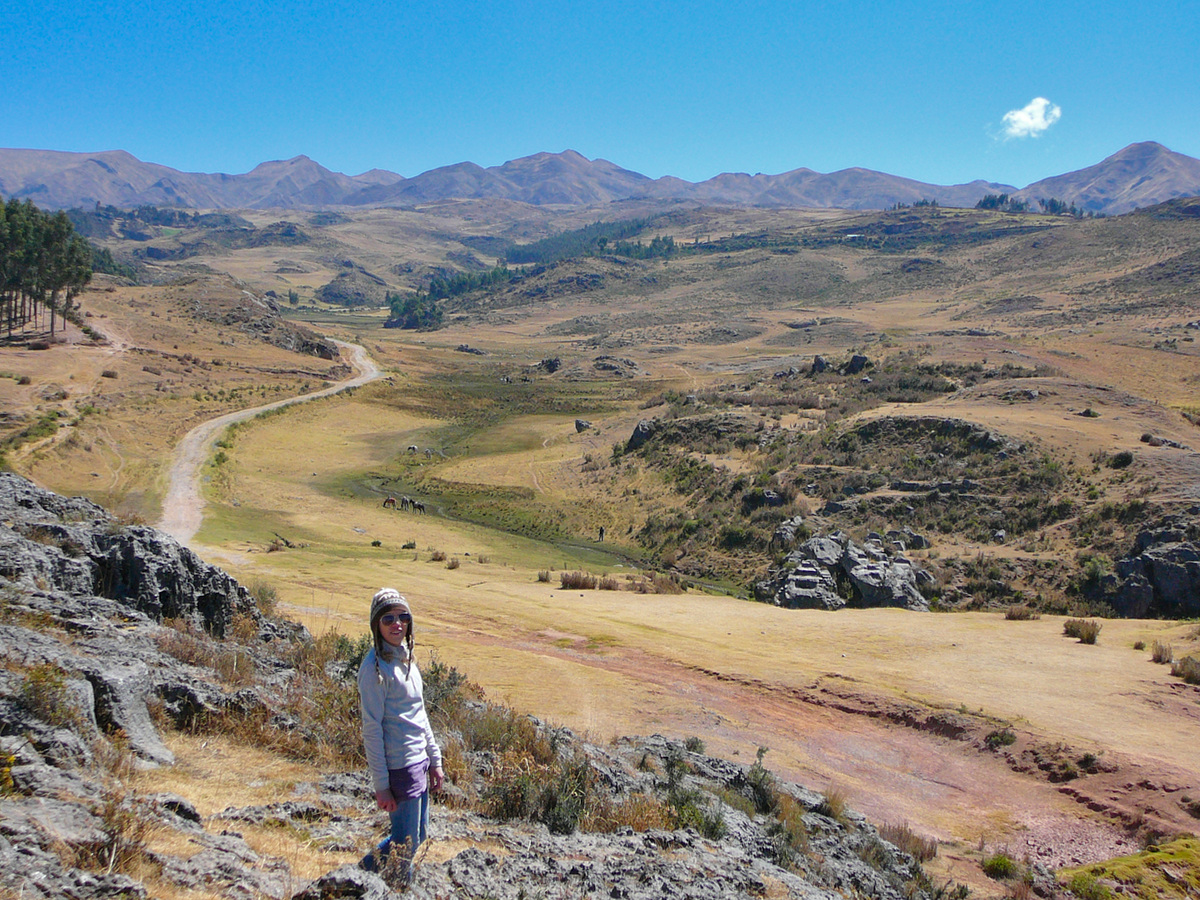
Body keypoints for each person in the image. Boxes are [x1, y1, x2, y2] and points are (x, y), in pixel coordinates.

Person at [358, 588, 444, 877]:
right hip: (399, 765)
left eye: (403, 617)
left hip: (419, 762)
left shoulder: (406, 660)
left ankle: (362, 876)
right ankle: (369, 881)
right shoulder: (374, 669)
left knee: (416, 836)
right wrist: (382, 785)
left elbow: (420, 714)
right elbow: (371, 730)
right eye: (388, 619)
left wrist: (435, 760)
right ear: (376, 625)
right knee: (404, 844)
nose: (397, 624)